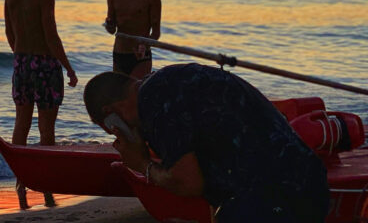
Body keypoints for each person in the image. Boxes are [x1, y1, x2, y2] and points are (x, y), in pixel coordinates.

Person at [83, 64, 330, 223]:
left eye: (110, 127)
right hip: (303, 184)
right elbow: (215, 180)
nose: (116, 135)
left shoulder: (154, 102)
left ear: (112, 112)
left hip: (273, 195)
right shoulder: (169, 83)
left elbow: (189, 183)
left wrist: (143, 165)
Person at [4, 0, 78, 208]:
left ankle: (20, 184)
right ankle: (46, 189)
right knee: (46, 129)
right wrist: (67, 66)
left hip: (22, 63)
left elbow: (9, 32)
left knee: (21, 125)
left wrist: (22, 56)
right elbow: (51, 35)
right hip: (45, 65)